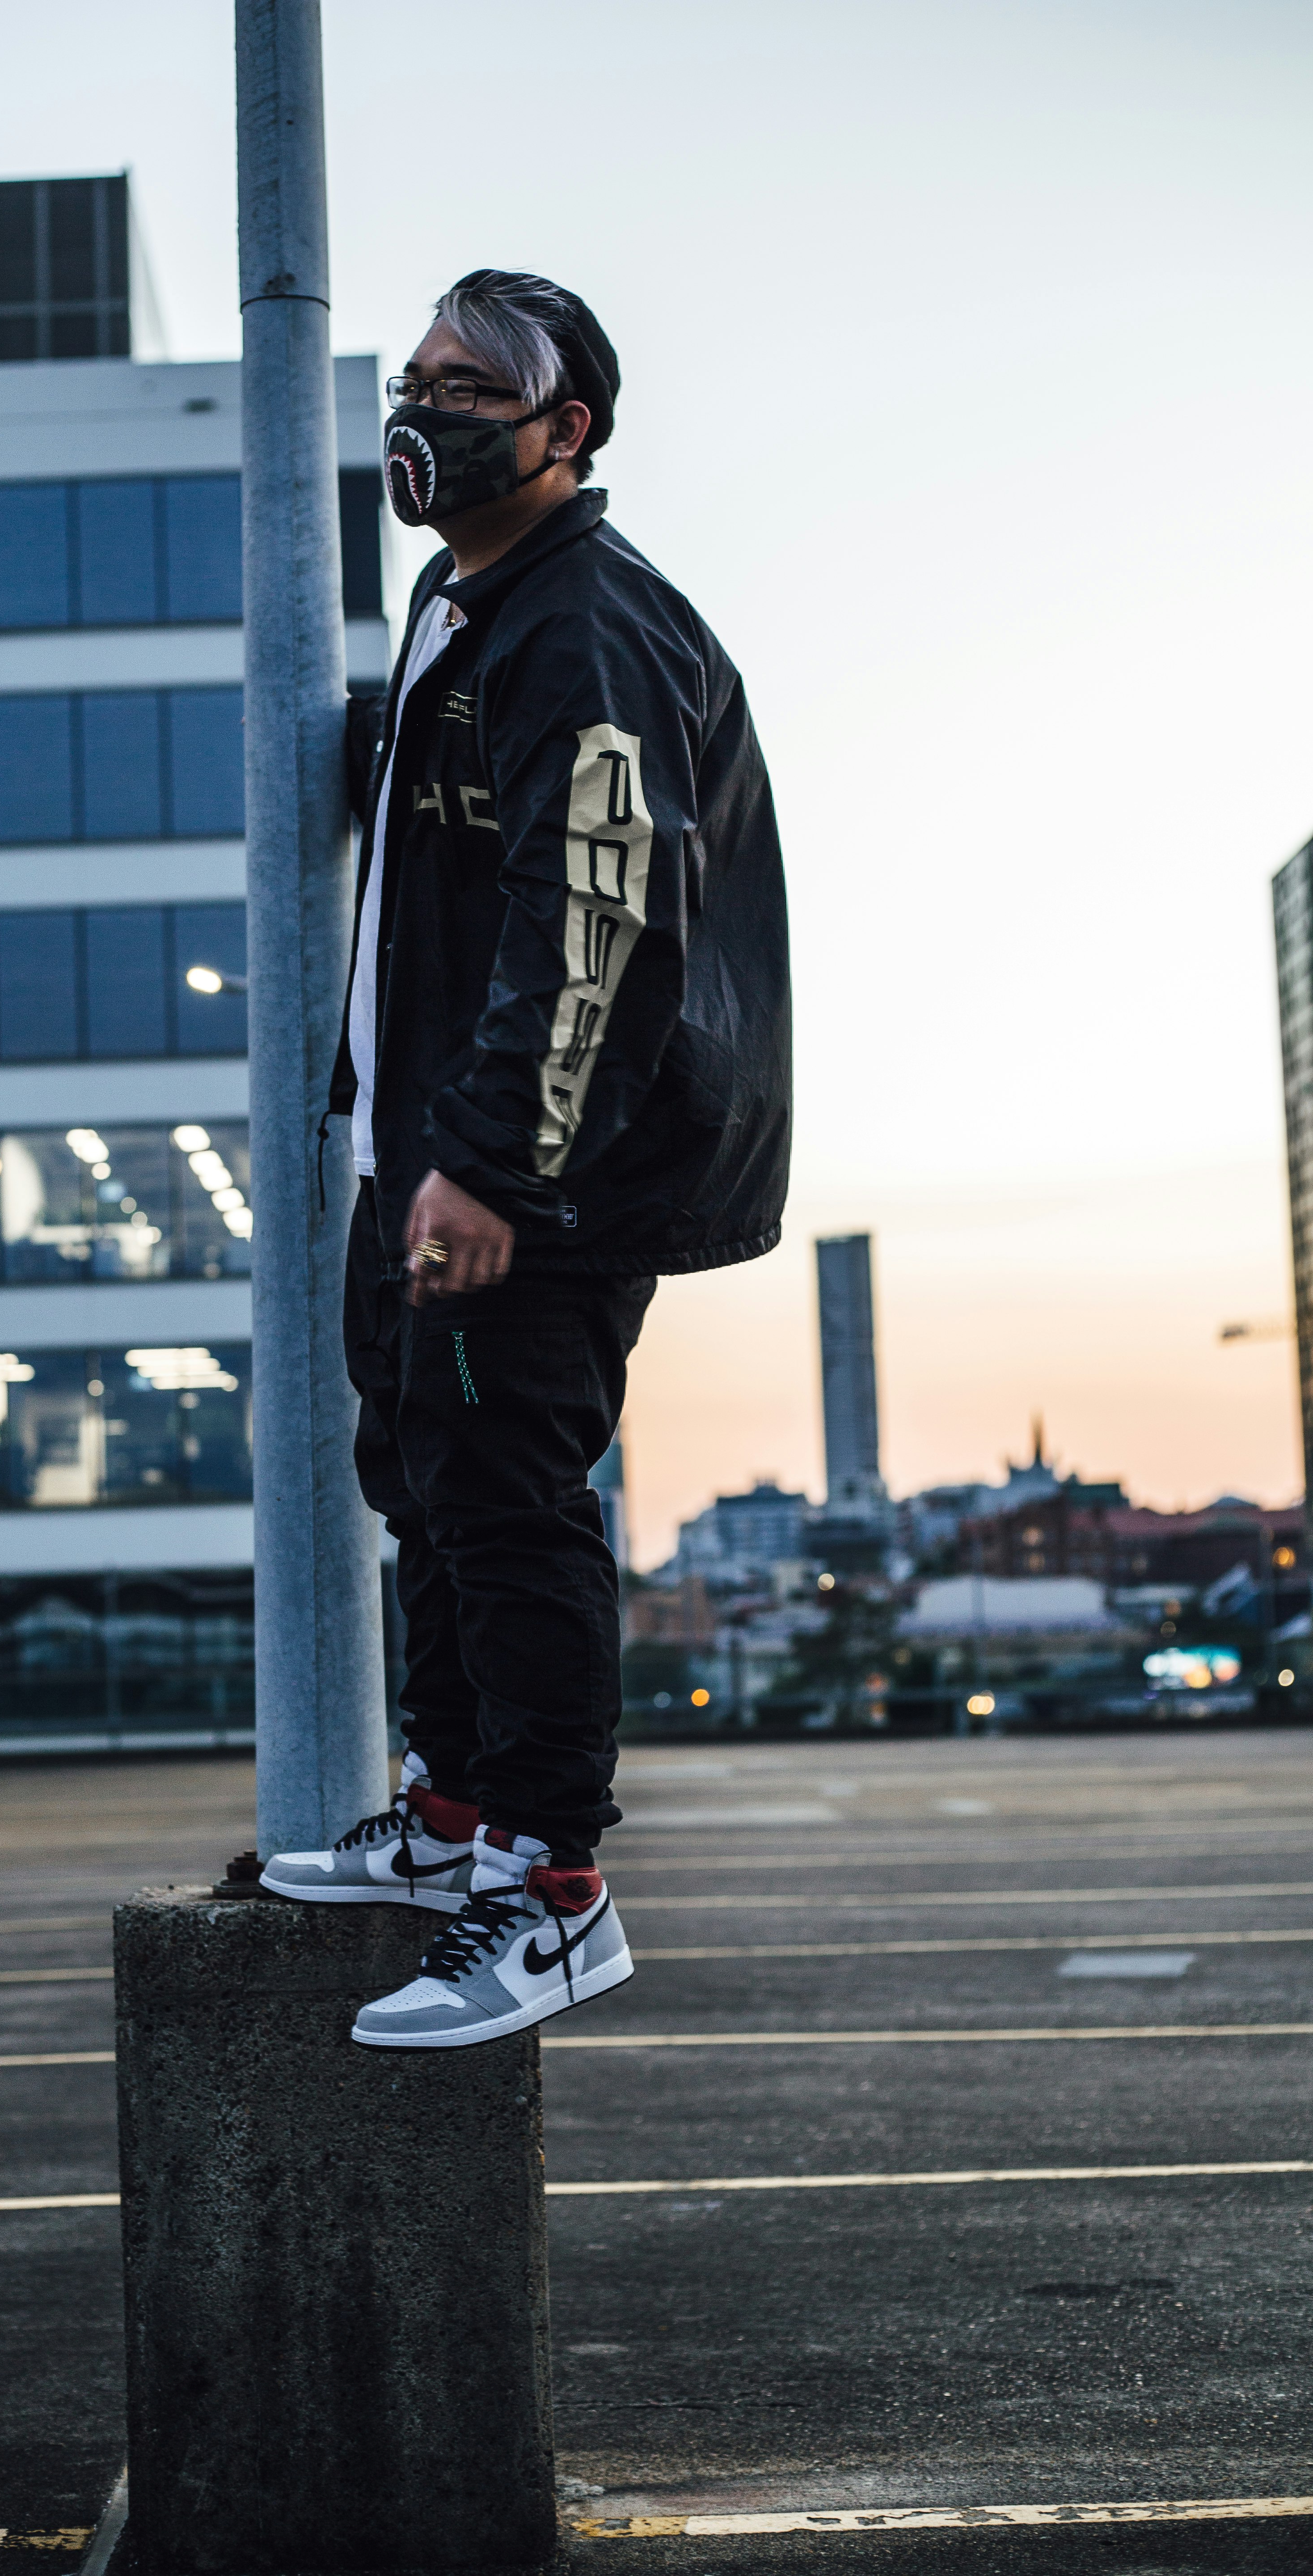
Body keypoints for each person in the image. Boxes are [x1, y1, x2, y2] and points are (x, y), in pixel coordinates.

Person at [262, 271, 790, 2049]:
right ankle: (458, 1820)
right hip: (424, 1143)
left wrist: (491, 1165)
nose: (427, 403)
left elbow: (606, 913)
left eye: (472, 383)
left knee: (505, 1495)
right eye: (417, 374)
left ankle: (554, 1891)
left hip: (534, 1165)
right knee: (421, 1471)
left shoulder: (588, 623)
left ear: (569, 433)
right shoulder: (457, 598)